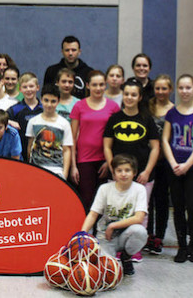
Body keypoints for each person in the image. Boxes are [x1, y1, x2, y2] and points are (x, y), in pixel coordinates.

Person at [103, 78, 159, 263]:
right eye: (126, 94)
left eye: (133, 94)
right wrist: (112, 168)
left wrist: (147, 171)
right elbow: (107, 146)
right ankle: (118, 246)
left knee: (139, 213)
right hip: (118, 175)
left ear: (139, 97)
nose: (129, 97)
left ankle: (134, 249)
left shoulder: (147, 119)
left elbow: (155, 148)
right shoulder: (115, 118)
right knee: (117, 212)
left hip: (142, 175)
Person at [162, 74, 193, 263]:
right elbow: (165, 139)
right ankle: (182, 246)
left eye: (188, 87)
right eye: (181, 88)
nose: (185, 91)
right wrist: (174, 163)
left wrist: (187, 165)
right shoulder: (172, 113)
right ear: (177, 90)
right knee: (178, 207)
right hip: (174, 168)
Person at [81, 154, 148, 276]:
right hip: (106, 238)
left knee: (140, 232)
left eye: (127, 170)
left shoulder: (139, 189)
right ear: (114, 173)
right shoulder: (104, 189)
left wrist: (113, 226)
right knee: (107, 272)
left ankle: (126, 257)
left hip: (126, 235)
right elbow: (93, 214)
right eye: (119, 170)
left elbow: (139, 218)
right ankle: (109, 258)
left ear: (134, 172)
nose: (123, 174)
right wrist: (82, 234)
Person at [70, 70, 120, 210]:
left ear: (105, 85)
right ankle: (86, 232)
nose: (98, 88)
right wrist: (73, 166)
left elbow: (116, 138)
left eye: (101, 85)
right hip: (84, 160)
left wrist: (108, 162)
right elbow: (72, 137)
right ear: (87, 86)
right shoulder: (79, 106)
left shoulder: (113, 107)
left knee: (104, 201)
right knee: (86, 199)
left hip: (104, 159)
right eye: (94, 85)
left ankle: (100, 232)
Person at [143, 74, 174, 255]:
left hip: (165, 161)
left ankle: (159, 237)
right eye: (158, 88)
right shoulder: (148, 107)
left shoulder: (174, 110)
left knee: (161, 200)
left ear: (170, 90)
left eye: (164, 88)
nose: (161, 92)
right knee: (147, 201)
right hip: (149, 159)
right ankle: (147, 235)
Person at [26, 85, 73, 179]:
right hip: (36, 168)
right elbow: (30, 146)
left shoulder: (64, 124)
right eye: (46, 100)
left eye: (53, 101)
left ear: (58, 102)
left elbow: (67, 150)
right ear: (41, 100)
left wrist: (65, 173)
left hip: (57, 170)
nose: (49, 104)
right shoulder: (33, 122)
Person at [7, 72, 42, 162]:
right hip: (20, 151)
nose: (28, 89)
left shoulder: (44, 109)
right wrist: (9, 121)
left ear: (37, 87)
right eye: (25, 87)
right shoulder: (14, 109)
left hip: (41, 152)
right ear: (20, 89)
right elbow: (0, 119)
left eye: (31, 86)